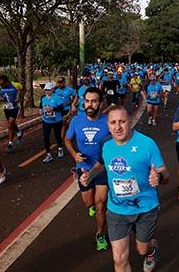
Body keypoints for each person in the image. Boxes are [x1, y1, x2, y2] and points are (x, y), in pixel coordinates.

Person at [79, 105, 170, 272]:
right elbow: (102, 164)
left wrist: (159, 177)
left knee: (142, 249)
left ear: (130, 122)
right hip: (117, 210)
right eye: (113, 122)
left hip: (145, 208)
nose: (118, 127)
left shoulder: (147, 144)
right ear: (108, 125)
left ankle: (152, 249)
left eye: (122, 121)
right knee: (119, 259)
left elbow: (166, 174)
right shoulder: (105, 143)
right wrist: (89, 175)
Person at [65, 87, 110, 251]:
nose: (90, 105)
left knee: (100, 205)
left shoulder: (107, 121)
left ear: (100, 103)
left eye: (94, 101)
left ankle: (100, 234)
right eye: (87, 101)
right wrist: (74, 154)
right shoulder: (77, 120)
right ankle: (93, 207)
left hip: (102, 169)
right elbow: (68, 140)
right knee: (88, 203)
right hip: (83, 169)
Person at [0, 75, 24, 152]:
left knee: (10, 125)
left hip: (15, 108)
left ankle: (10, 144)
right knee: (11, 124)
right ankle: (19, 132)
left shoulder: (16, 85)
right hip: (6, 108)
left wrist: (20, 97)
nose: (2, 85)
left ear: (7, 81)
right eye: (1, 84)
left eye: (3, 84)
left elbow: (22, 89)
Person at [40, 82, 65, 163]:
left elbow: (61, 109)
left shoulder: (57, 98)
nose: (47, 91)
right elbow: (41, 107)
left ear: (53, 90)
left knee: (57, 135)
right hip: (46, 120)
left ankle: (60, 148)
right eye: (45, 90)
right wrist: (40, 111)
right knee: (45, 136)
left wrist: (53, 109)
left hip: (56, 121)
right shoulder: (43, 98)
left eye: (48, 90)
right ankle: (48, 154)